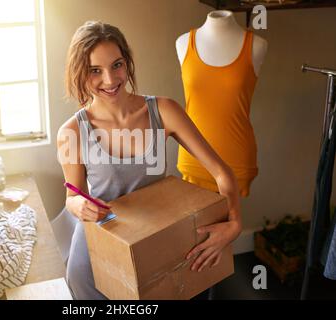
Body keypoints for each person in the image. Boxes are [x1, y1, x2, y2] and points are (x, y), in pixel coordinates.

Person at [56, 20, 242, 300]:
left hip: (154, 247)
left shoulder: (163, 111)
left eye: (117, 65)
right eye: (95, 70)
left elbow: (222, 173)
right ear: (80, 73)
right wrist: (78, 204)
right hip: (96, 261)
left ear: (127, 63)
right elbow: (72, 197)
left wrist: (235, 223)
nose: (110, 79)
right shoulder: (71, 132)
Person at [175, 10, 268, 197]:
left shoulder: (257, 45)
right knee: (195, 224)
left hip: (235, 158)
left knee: (229, 223)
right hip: (193, 157)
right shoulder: (184, 42)